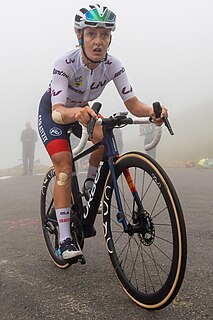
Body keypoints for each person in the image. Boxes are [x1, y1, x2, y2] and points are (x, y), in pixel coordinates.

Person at [38, 4, 168, 260]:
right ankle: (65, 239)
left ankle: (90, 183)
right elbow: (58, 111)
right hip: (56, 111)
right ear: (80, 37)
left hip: (82, 111)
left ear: (110, 39)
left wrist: (153, 111)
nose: (98, 41)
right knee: (64, 168)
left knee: (103, 139)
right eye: (91, 34)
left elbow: (133, 104)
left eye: (104, 35)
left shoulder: (113, 64)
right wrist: (75, 113)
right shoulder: (64, 62)